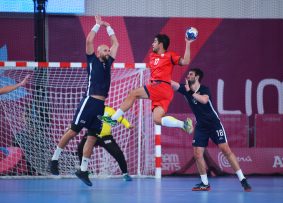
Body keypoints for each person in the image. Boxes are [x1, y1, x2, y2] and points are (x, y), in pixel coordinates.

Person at [49, 16, 119, 187]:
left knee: (92, 137)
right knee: (73, 131)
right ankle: (54, 159)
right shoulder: (92, 60)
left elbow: (115, 44)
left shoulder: (108, 63)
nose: (108, 52)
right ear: (98, 52)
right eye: (105, 50)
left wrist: (109, 28)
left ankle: (83, 169)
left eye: (108, 51)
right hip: (89, 101)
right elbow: (89, 40)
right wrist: (97, 25)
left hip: (100, 106)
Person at [171, 68, 252, 192]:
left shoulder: (204, 89)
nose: (188, 76)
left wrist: (191, 92)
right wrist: (160, 77)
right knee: (198, 154)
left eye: (190, 74)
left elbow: (204, 100)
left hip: (214, 124)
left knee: (225, 150)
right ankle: (205, 183)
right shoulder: (185, 88)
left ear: (197, 77)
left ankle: (243, 179)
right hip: (201, 126)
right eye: (187, 74)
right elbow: (173, 84)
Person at [102, 33, 195, 134]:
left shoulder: (170, 56)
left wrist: (188, 43)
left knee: (133, 93)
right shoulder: (152, 56)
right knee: (157, 120)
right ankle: (183, 124)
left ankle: (114, 119)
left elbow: (185, 61)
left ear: (161, 44)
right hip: (164, 92)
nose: (152, 44)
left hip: (160, 86)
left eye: (155, 41)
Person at [77, 106, 132, 181]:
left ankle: (125, 174)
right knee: (80, 148)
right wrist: (72, 127)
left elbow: (120, 118)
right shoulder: (92, 109)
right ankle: (83, 171)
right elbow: (82, 119)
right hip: (92, 135)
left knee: (118, 153)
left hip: (106, 137)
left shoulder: (109, 110)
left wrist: (128, 124)